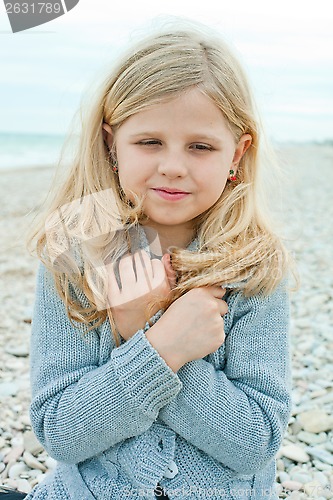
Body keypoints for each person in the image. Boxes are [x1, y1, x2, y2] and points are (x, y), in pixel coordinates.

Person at [12, 19, 296, 500]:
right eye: (149, 142)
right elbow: (59, 431)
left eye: (200, 146)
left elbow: (257, 442)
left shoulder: (252, 265)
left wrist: (145, 324)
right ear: (111, 142)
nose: (172, 165)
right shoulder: (75, 252)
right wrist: (160, 343)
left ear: (237, 153)